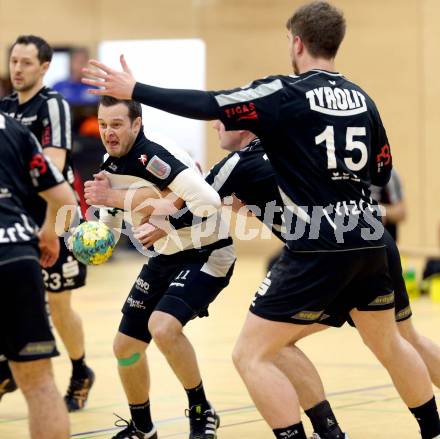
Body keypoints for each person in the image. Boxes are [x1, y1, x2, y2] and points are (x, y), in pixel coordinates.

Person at [82, 2, 440, 437]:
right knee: (397, 342)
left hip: (320, 243)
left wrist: (135, 87)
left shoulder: (281, 98)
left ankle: (306, 432)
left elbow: (208, 108)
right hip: (369, 233)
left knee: (253, 352)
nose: (217, 126)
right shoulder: (362, 98)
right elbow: (380, 172)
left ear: (297, 43)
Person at [83, 96, 235, 439]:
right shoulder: (112, 162)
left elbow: (209, 202)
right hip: (164, 257)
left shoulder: (150, 154)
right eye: (104, 124)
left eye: (117, 124)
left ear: (137, 124)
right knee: (125, 347)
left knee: (163, 327)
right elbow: (115, 218)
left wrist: (145, 212)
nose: (108, 132)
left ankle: (201, 410)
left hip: (206, 251)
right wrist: (96, 235)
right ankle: (142, 427)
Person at [0, 35, 94, 411]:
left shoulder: (52, 106)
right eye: (14, 61)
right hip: (19, 221)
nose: (17, 69)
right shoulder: (5, 107)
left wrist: (48, 226)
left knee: (58, 305)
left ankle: (79, 370)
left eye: (26, 62)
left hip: (57, 216)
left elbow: (52, 167)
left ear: (43, 67)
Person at [0, 110, 77, 439]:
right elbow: (64, 199)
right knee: (40, 384)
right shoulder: (15, 130)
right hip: (18, 254)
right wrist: (48, 232)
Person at [370, 168, 406, 242]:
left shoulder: (387, 173)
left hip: (383, 244)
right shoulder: (345, 172)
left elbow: (401, 212)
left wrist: (379, 210)